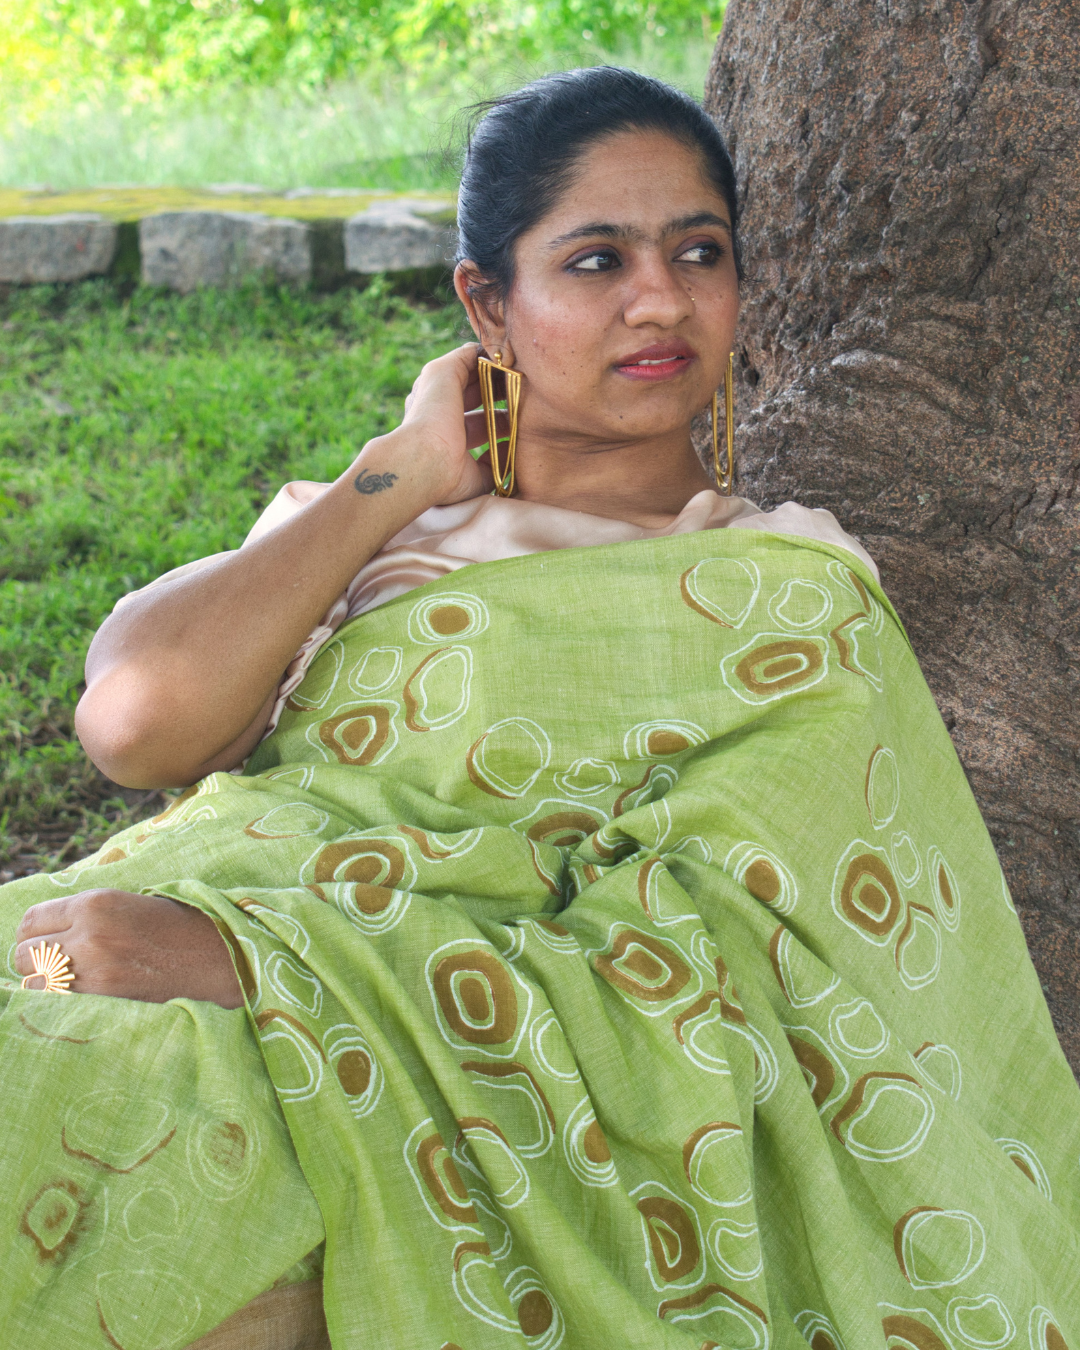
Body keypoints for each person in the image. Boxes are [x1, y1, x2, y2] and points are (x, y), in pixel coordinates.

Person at [3, 66, 1078, 1350]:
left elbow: (742, 973)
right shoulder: (360, 530)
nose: (661, 300)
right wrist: (399, 475)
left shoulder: (789, 594)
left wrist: (261, 973)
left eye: (699, 251)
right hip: (107, 944)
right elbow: (136, 726)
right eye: (593, 260)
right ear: (484, 303)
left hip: (340, 1049)